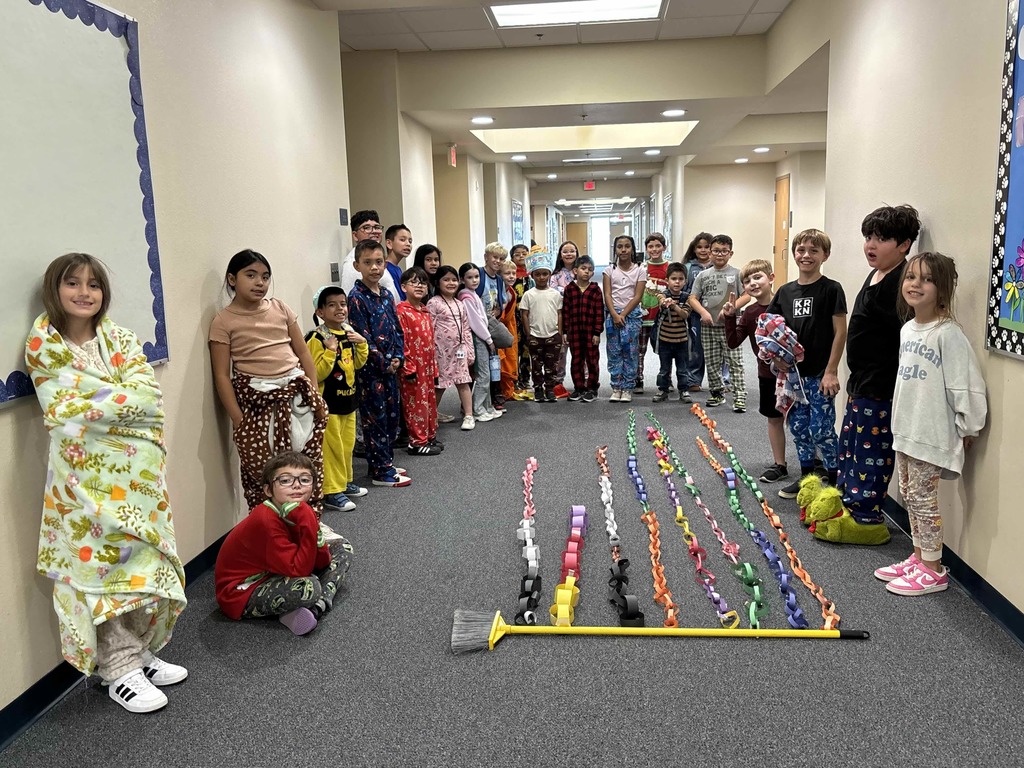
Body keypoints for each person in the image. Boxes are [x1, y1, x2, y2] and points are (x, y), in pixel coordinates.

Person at [26, 253, 187, 713]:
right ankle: (116, 670)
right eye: (72, 283)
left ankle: (136, 651)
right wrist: (123, 406)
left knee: (138, 565)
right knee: (102, 574)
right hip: (83, 483)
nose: (84, 292)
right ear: (54, 290)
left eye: (93, 285)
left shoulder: (119, 338)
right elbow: (63, 411)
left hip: (137, 479)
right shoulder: (44, 343)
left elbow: (150, 398)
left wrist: (103, 408)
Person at [865, 253, 985, 589]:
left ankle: (933, 569)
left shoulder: (948, 334)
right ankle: (919, 557)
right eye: (911, 277)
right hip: (906, 429)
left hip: (931, 433)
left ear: (943, 288)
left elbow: (967, 386)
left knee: (922, 499)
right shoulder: (907, 330)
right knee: (907, 493)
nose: (915, 285)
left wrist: (969, 426)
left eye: (926, 279)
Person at [822, 205, 921, 542]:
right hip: (862, 382)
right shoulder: (877, 272)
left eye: (881, 239)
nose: (871, 245)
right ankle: (850, 504)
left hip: (882, 387)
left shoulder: (902, 281)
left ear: (905, 244)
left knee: (872, 453)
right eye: (868, 237)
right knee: (850, 447)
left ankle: (867, 519)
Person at [210, 249, 328, 509]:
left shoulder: (280, 308)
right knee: (267, 470)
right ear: (232, 279)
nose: (259, 282)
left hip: (297, 394)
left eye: (265, 277)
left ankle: (308, 520)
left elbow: (303, 353)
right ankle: (271, 527)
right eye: (250, 275)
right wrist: (239, 420)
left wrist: (315, 393)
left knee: (305, 461)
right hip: (258, 401)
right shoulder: (223, 321)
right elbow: (221, 375)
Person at [215, 452, 351, 635]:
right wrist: (309, 524)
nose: (297, 485)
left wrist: (311, 529)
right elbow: (299, 571)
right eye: (285, 480)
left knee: (343, 547)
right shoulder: (266, 519)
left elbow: (322, 562)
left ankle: (314, 608)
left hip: (278, 569)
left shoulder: (299, 510)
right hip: (241, 592)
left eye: (305, 479)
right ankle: (307, 605)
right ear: (268, 490)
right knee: (308, 586)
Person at [767, 229, 847, 499]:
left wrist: (832, 371)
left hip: (820, 375)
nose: (806, 255)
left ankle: (836, 484)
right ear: (794, 254)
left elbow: (840, 332)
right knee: (799, 428)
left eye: (814, 250)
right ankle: (807, 479)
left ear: (825, 255)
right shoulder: (785, 292)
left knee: (821, 429)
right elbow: (769, 329)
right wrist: (776, 359)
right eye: (801, 250)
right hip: (794, 378)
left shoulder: (831, 289)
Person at [346, 239, 410, 487]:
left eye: (379, 262)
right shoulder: (356, 298)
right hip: (371, 372)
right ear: (357, 265)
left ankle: (384, 462)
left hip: (390, 368)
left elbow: (396, 330)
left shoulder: (385, 294)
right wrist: (384, 363)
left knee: (392, 419)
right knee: (375, 420)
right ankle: (381, 471)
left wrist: (398, 356)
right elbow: (362, 338)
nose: (374, 268)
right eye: (368, 263)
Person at [723, 259, 788, 482]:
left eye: (757, 277)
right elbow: (733, 342)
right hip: (767, 374)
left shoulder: (785, 303)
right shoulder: (750, 312)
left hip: (792, 374)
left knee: (801, 419)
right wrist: (730, 317)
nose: (752, 283)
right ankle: (780, 464)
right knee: (774, 417)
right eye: (747, 281)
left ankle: (812, 462)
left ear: (771, 278)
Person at [305, 286, 369, 512]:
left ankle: (345, 482)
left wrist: (362, 344)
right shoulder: (317, 337)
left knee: (346, 444)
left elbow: (358, 364)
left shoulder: (348, 332)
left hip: (348, 401)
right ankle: (331, 490)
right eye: (331, 305)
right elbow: (315, 372)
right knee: (331, 448)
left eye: (342, 304)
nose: (339, 308)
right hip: (328, 404)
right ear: (320, 312)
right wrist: (330, 351)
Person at [686, 234, 747, 412]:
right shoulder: (703, 275)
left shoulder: (737, 274)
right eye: (716, 251)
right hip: (708, 326)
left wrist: (731, 307)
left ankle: (740, 396)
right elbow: (692, 298)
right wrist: (703, 312)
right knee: (712, 362)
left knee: (735, 361)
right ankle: (717, 393)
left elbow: (747, 295)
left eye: (724, 251)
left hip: (731, 327)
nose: (720, 255)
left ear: (731, 253)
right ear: (710, 253)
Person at [396, 267, 442, 456]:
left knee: (429, 402)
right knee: (415, 404)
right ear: (403, 287)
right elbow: (402, 341)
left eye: (423, 282)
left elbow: (431, 343)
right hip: (413, 367)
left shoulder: (424, 311)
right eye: (414, 282)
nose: (419, 286)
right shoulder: (401, 311)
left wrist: (435, 368)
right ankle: (416, 442)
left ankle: (429, 436)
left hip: (428, 366)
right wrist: (408, 367)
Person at [429, 265, 476, 431]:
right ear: (438, 282)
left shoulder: (460, 304)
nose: (451, 283)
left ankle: (469, 415)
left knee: (463, 382)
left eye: (454, 280)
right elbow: (429, 329)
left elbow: (466, 328)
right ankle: (432, 414)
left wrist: (469, 350)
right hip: (441, 353)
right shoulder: (433, 303)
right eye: (446, 279)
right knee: (440, 385)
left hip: (460, 351)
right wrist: (431, 354)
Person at [603, 235, 647, 403]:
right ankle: (616, 387)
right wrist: (614, 314)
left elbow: (637, 296)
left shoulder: (640, 270)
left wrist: (623, 314)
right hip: (613, 315)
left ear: (632, 249)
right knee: (614, 352)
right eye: (619, 246)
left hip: (632, 316)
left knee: (630, 352)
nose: (623, 250)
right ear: (615, 249)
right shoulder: (609, 270)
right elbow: (607, 294)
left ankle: (627, 387)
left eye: (627, 246)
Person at [458, 262, 502, 422]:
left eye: (476, 276)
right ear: (462, 279)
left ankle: (487, 407)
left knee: (488, 374)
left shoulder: (473, 294)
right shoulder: (466, 296)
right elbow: (475, 322)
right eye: (470, 277)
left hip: (482, 336)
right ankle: (477, 409)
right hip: (478, 338)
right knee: (483, 374)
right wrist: (489, 339)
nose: (474, 280)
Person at [520, 247, 564, 402]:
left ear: (549, 275)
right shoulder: (528, 294)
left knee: (552, 365)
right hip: (535, 336)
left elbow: (559, 313)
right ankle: (538, 389)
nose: (541, 277)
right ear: (532, 275)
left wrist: (559, 332)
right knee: (537, 366)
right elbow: (524, 314)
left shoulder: (555, 294)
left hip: (552, 335)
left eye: (545, 274)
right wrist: (528, 333)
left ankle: (550, 388)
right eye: (537, 274)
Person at [561, 255, 604, 402]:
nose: (586, 272)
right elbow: (565, 312)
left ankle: (592, 388)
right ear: (575, 270)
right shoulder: (569, 289)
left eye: (590, 270)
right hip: (574, 332)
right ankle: (579, 387)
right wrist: (565, 331)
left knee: (592, 360)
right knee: (576, 360)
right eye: (583, 268)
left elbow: (599, 312)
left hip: (591, 332)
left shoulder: (595, 290)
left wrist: (597, 332)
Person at [650, 262, 693, 403]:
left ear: (685, 281)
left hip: (682, 341)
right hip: (665, 341)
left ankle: (684, 390)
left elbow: (685, 315)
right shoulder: (663, 294)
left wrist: (674, 306)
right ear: (667, 280)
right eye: (673, 279)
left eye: (680, 279)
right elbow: (661, 300)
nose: (677, 282)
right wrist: (664, 302)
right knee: (664, 369)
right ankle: (663, 389)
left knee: (682, 369)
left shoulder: (687, 298)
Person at [476, 242, 509, 410]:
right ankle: (472, 403)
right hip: (476, 325)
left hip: (492, 322)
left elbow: (502, 302)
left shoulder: (499, 280)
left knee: (493, 362)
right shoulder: (478, 275)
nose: (498, 261)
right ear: (486, 258)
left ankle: (493, 396)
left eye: (501, 258)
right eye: (494, 257)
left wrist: (496, 313)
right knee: (479, 367)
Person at [637, 233, 670, 394]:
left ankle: (666, 379)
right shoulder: (641, 268)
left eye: (658, 246)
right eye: (650, 246)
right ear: (646, 249)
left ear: (664, 247)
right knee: (639, 350)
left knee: (664, 350)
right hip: (643, 316)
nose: (654, 249)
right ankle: (638, 378)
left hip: (663, 317)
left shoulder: (669, 267)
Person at [340, 209, 399, 300]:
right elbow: (349, 299)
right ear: (355, 235)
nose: (374, 231)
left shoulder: (379, 255)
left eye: (377, 227)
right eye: (367, 228)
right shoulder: (353, 261)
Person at [682, 231, 713, 391]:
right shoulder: (689, 268)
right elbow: (685, 292)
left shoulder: (719, 266)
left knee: (719, 347)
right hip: (695, 314)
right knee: (695, 347)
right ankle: (694, 379)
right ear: (694, 249)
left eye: (707, 247)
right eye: (699, 247)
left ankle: (722, 381)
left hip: (717, 314)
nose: (703, 250)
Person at [549, 240, 579, 398]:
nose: (569, 254)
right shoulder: (555, 276)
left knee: (581, 352)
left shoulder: (581, 272)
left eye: (572, 251)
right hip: (560, 317)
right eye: (565, 251)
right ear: (560, 255)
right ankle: (557, 382)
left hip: (579, 318)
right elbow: (554, 295)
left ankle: (583, 382)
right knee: (560, 352)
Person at [509, 243, 535, 396]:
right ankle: (513, 377)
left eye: (524, 253)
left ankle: (525, 377)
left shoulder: (531, 275)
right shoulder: (509, 274)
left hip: (527, 317)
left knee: (526, 349)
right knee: (513, 348)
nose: (521, 256)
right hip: (512, 317)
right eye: (517, 254)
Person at [498, 260, 521, 405]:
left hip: (509, 327)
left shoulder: (511, 292)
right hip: (498, 328)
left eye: (514, 273)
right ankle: (498, 392)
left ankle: (506, 391)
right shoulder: (498, 290)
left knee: (510, 357)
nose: (512, 276)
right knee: (499, 362)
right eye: (507, 273)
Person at [384, 224, 414, 302]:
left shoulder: (398, 269)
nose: (408, 244)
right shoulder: (385, 268)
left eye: (410, 241)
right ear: (389, 243)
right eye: (402, 240)